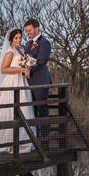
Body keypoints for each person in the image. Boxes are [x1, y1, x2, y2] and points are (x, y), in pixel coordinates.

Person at [23, 18, 52, 150]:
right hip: (28, 82)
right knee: (31, 111)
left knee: (42, 110)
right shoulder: (28, 44)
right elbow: (24, 58)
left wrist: (27, 68)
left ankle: (45, 142)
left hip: (40, 82)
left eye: (29, 30)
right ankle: (33, 140)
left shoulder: (45, 43)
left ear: (36, 28)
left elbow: (40, 62)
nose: (27, 33)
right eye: (26, 31)